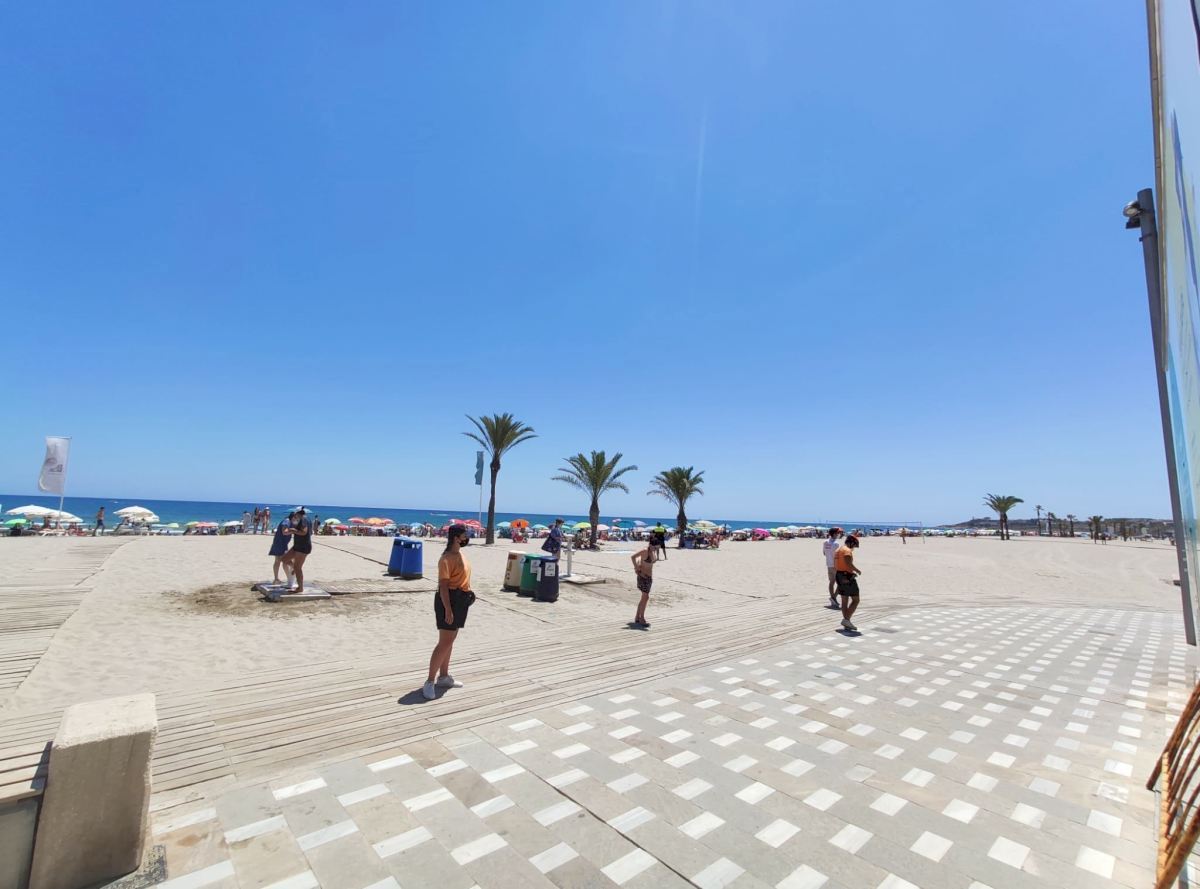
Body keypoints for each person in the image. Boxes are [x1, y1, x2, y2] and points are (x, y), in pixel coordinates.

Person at [423, 524, 475, 700]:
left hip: (460, 600)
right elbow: (443, 586)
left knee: (450, 641)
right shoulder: (446, 559)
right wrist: (448, 609)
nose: (467, 538)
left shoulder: (461, 555)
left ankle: (444, 677)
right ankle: (429, 681)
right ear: (456, 538)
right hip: (449, 600)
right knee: (444, 642)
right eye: (464, 535)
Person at [834, 534, 863, 631]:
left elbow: (836, 564)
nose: (854, 548)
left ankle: (847, 622)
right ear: (851, 543)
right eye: (854, 545)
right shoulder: (847, 550)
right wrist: (857, 570)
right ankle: (846, 620)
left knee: (844, 600)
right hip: (847, 576)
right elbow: (848, 563)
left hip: (839, 574)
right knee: (856, 599)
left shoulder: (838, 550)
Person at [283, 508, 313, 592]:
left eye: (295, 513)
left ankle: (300, 588)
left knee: (298, 567)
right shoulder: (305, 519)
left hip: (303, 546)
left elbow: (304, 532)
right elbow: (309, 532)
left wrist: (293, 530)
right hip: (297, 545)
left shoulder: (304, 519)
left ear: (297, 513)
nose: (294, 515)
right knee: (284, 559)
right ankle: (294, 569)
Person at [630, 540, 657, 628]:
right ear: (650, 545)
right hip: (643, 577)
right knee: (645, 597)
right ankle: (641, 618)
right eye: (654, 546)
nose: (655, 548)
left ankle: (637, 617)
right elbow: (633, 557)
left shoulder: (654, 552)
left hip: (649, 578)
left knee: (644, 598)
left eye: (657, 547)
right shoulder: (645, 551)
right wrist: (637, 568)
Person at [268, 511, 295, 585]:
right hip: (280, 544)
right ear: (293, 517)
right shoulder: (287, 521)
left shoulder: (289, 522)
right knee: (286, 561)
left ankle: (277, 579)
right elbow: (284, 532)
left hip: (280, 543)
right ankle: (288, 579)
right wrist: (294, 531)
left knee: (278, 561)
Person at [822, 527, 843, 608]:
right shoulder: (836, 544)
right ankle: (833, 597)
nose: (839, 534)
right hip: (836, 565)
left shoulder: (825, 542)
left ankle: (833, 598)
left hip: (829, 564)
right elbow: (839, 556)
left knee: (831, 582)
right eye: (838, 533)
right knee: (840, 583)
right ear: (834, 534)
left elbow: (824, 553)